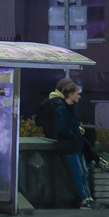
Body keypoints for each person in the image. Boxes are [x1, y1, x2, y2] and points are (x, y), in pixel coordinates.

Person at [44, 78, 101, 209]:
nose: (79, 96)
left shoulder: (66, 108)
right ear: (69, 95)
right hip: (70, 147)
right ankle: (84, 199)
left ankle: (87, 198)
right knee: (78, 173)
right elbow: (62, 129)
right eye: (77, 93)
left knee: (83, 173)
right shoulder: (62, 110)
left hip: (75, 146)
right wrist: (76, 134)